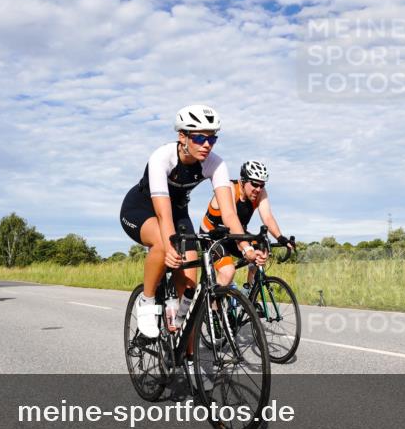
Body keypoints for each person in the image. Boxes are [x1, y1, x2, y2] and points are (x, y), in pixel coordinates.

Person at [119, 104, 251, 339]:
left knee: (188, 290)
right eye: (200, 138)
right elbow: (162, 214)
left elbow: (229, 214)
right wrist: (170, 246)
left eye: (213, 139)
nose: (207, 145)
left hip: (178, 212)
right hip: (142, 208)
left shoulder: (215, 163)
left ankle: (186, 355)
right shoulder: (162, 157)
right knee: (162, 244)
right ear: (182, 136)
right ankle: (147, 302)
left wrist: (245, 247)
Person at [201, 160, 293, 288]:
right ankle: (213, 306)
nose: (258, 189)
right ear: (243, 181)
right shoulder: (230, 188)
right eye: (254, 184)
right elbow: (231, 217)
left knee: (261, 249)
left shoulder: (260, 193)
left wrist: (280, 237)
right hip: (212, 234)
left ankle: (248, 290)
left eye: (262, 185)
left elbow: (267, 217)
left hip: (235, 233)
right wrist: (246, 249)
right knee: (228, 272)